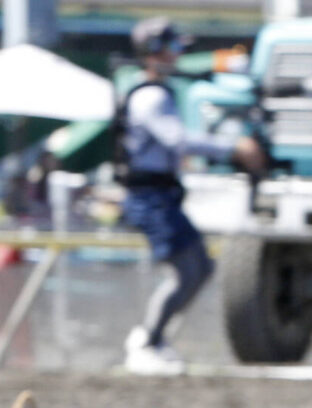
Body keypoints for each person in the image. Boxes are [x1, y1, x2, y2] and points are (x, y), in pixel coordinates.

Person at [117, 17, 267, 375]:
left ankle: (153, 338)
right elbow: (178, 140)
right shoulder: (151, 97)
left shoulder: (156, 92)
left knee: (199, 268)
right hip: (150, 196)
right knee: (186, 272)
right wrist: (234, 148)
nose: (178, 54)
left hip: (161, 195)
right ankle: (148, 342)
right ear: (153, 52)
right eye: (172, 47)